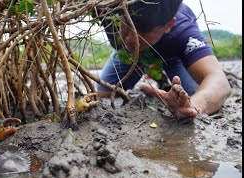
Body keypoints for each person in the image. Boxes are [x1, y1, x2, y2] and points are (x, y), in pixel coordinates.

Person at [96, 0, 231, 118]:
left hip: (173, 56)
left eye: (142, 33)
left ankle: (164, 77)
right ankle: (157, 75)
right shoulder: (108, 8)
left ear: (169, 26)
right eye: (126, 24)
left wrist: (194, 106)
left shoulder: (182, 30)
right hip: (128, 56)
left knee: (190, 95)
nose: (130, 38)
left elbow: (219, 81)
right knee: (104, 93)